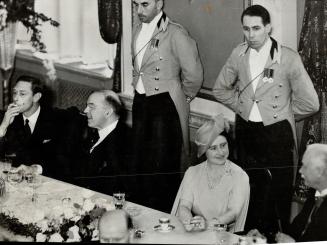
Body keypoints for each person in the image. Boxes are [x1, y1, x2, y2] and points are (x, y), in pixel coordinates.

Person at [213, 4, 320, 232]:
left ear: (268, 28)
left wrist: (282, 114)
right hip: (246, 131)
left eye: (256, 28)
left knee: (277, 192)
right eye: (246, 29)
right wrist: (244, 107)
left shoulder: (288, 58)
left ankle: (273, 237)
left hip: (276, 132)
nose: (251, 35)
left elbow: (311, 103)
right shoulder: (238, 54)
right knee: (248, 188)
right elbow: (220, 89)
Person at [131, 0, 203, 213]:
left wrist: (183, 98)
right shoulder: (136, 30)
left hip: (165, 104)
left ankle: (163, 218)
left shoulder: (176, 33)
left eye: (144, 4)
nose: (139, 10)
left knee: (162, 167)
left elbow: (194, 75)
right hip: (141, 101)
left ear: (159, 3)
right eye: (136, 4)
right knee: (140, 161)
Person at [171, 114, 250, 233]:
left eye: (223, 145)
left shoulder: (240, 176)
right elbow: (184, 206)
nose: (220, 152)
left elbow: (234, 212)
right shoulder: (192, 172)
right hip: (197, 231)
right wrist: (191, 223)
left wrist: (207, 225)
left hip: (225, 235)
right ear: (204, 152)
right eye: (213, 148)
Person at [249, 143, 327, 243]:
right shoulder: (314, 194)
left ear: (319, 171)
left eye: (305, 166)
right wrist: (264, 239)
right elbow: (293, 233)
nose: (300, 171)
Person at [71, 90, 134, 198]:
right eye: (87, 106)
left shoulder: (125, 141)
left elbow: (120, 187)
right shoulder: (93, 131)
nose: (86, 110)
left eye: (92, 107)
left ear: (108, 112)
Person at [0, 75, 66, 178]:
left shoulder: (56, 120)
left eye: (22, 94)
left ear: (36, 97)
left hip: (41, 180)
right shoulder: (6, 117)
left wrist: (34, 169)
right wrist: (3, 127)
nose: (16, 98)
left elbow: (61, 161)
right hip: (13, 178)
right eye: (14, 93)